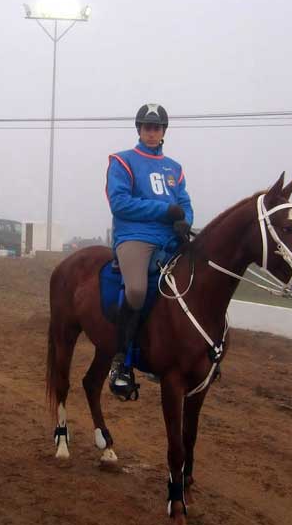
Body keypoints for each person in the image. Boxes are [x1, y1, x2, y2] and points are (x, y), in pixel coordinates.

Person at [104, 103, 193, 399]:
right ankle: (121, 363)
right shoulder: (122, 161)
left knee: (195, 285)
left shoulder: (175, 169)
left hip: (169, 239)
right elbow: (120, 203)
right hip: (135, 237)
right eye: (146, 127)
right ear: (139, 130)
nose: (151, 132)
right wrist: (165, 210)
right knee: (138, 291)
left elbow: (185, 205)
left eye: (156, 128)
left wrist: (184, 221)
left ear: (163, 132)